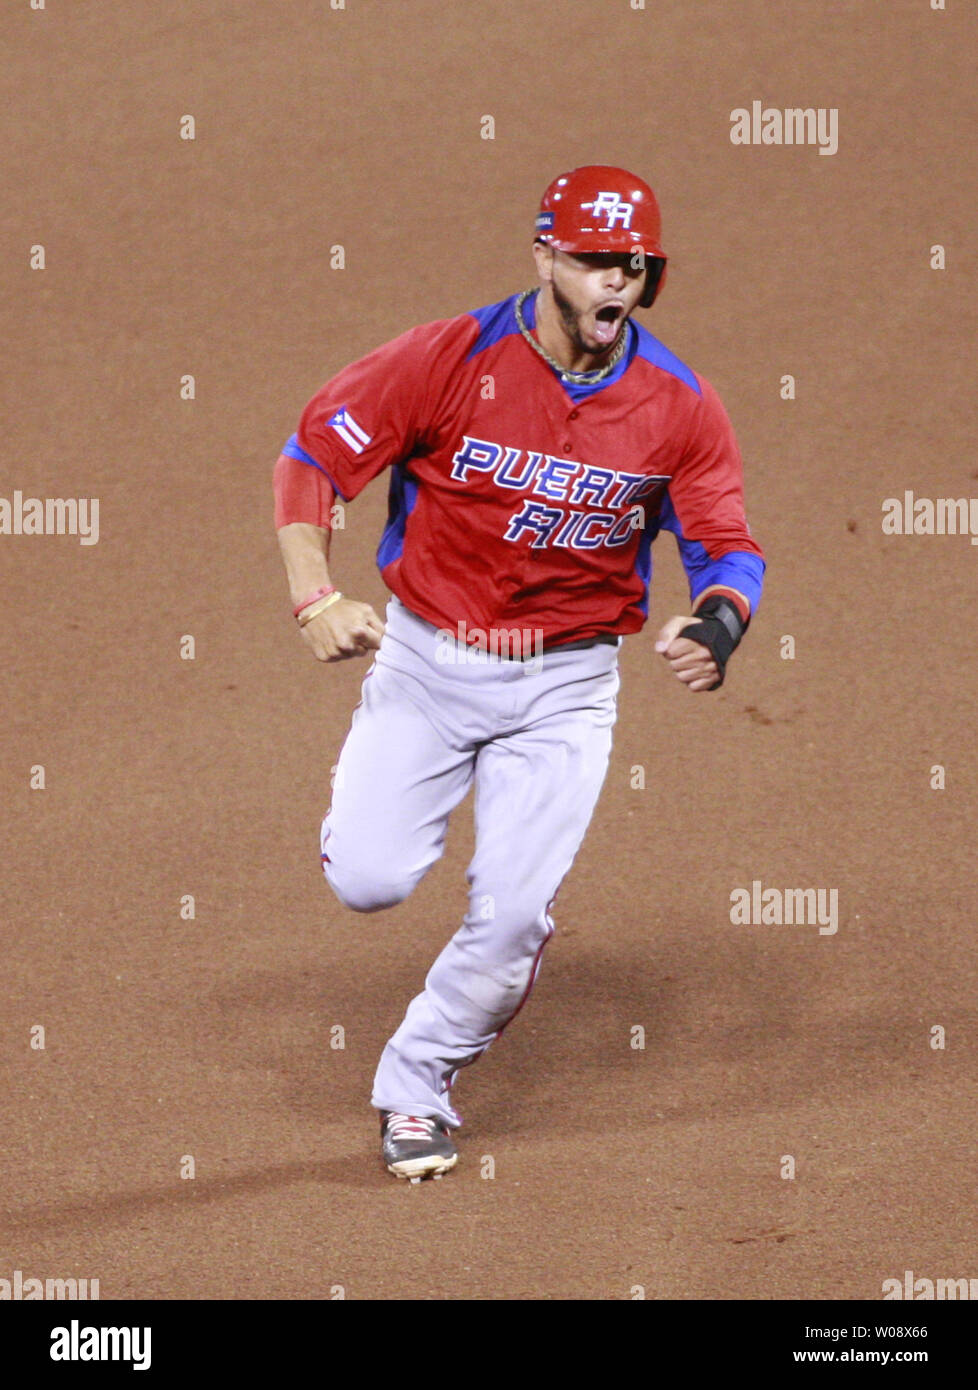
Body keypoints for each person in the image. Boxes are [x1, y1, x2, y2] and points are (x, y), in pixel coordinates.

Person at [273, 165, 766, 1182]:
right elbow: (312, 456)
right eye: (593, 259)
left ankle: (417, 1085)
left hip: (564, 687)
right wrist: (315, 595)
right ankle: (367, 824)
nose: (614, 283)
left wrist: (719, 624)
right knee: (370, 879)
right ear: (546, 256)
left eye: (633, 265)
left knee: (509, 915)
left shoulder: (678, 405)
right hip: (427, 657)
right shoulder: (447, 359)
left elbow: (725, 539)